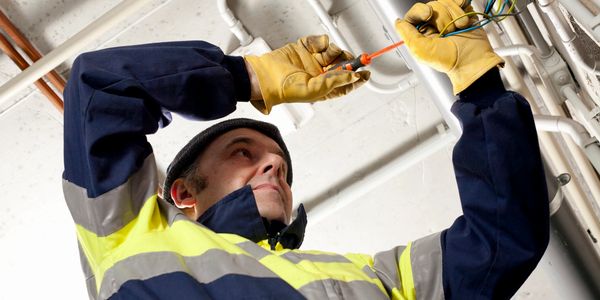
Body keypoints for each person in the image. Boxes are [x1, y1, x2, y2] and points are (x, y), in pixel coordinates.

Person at [62, 0, 549, 299]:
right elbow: (101, 91)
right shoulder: (127, 233)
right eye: (242, 153)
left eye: (281, 166)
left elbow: (501, 241)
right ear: (184, 192)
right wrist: (247, 77)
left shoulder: (368, 278)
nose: (275, 163)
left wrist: (477, 81)